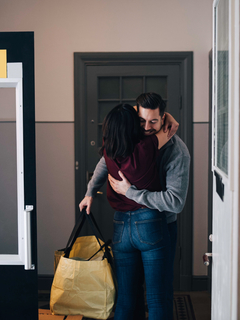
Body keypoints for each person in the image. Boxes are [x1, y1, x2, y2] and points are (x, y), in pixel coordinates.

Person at [79, 92, 191, 320]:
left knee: (138, 297)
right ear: (134, 118)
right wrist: (90, 191)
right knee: (145, 297)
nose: (147, 127)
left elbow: (175, 202)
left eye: (154, 121)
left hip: (151, 223)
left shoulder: (176, 151)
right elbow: (104, 162)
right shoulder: (131, 140)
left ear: (163, 120)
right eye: (142, 121)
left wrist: (131, 193)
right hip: (138, 224)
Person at [98, 103, 172, 320]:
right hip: (149, 221)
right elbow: (171, 126)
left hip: (121, 225)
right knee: (157, 297)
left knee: (126, 298)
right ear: (134, 127)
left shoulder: (108, 151)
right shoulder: (147, 147)